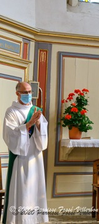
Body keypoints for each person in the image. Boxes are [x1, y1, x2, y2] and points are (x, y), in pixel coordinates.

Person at [2, 82, 48, 224]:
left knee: (35, 189)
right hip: (20, 157)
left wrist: (39, 124)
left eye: (29, 92)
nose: (28, 95)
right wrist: (28, 124)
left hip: (35, 156)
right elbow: (9, 134)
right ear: (17, 93)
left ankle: (35, 219)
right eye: (25, 92)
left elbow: (43, 136)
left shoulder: (36, 110)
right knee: (22, 190)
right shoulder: (11, 111)